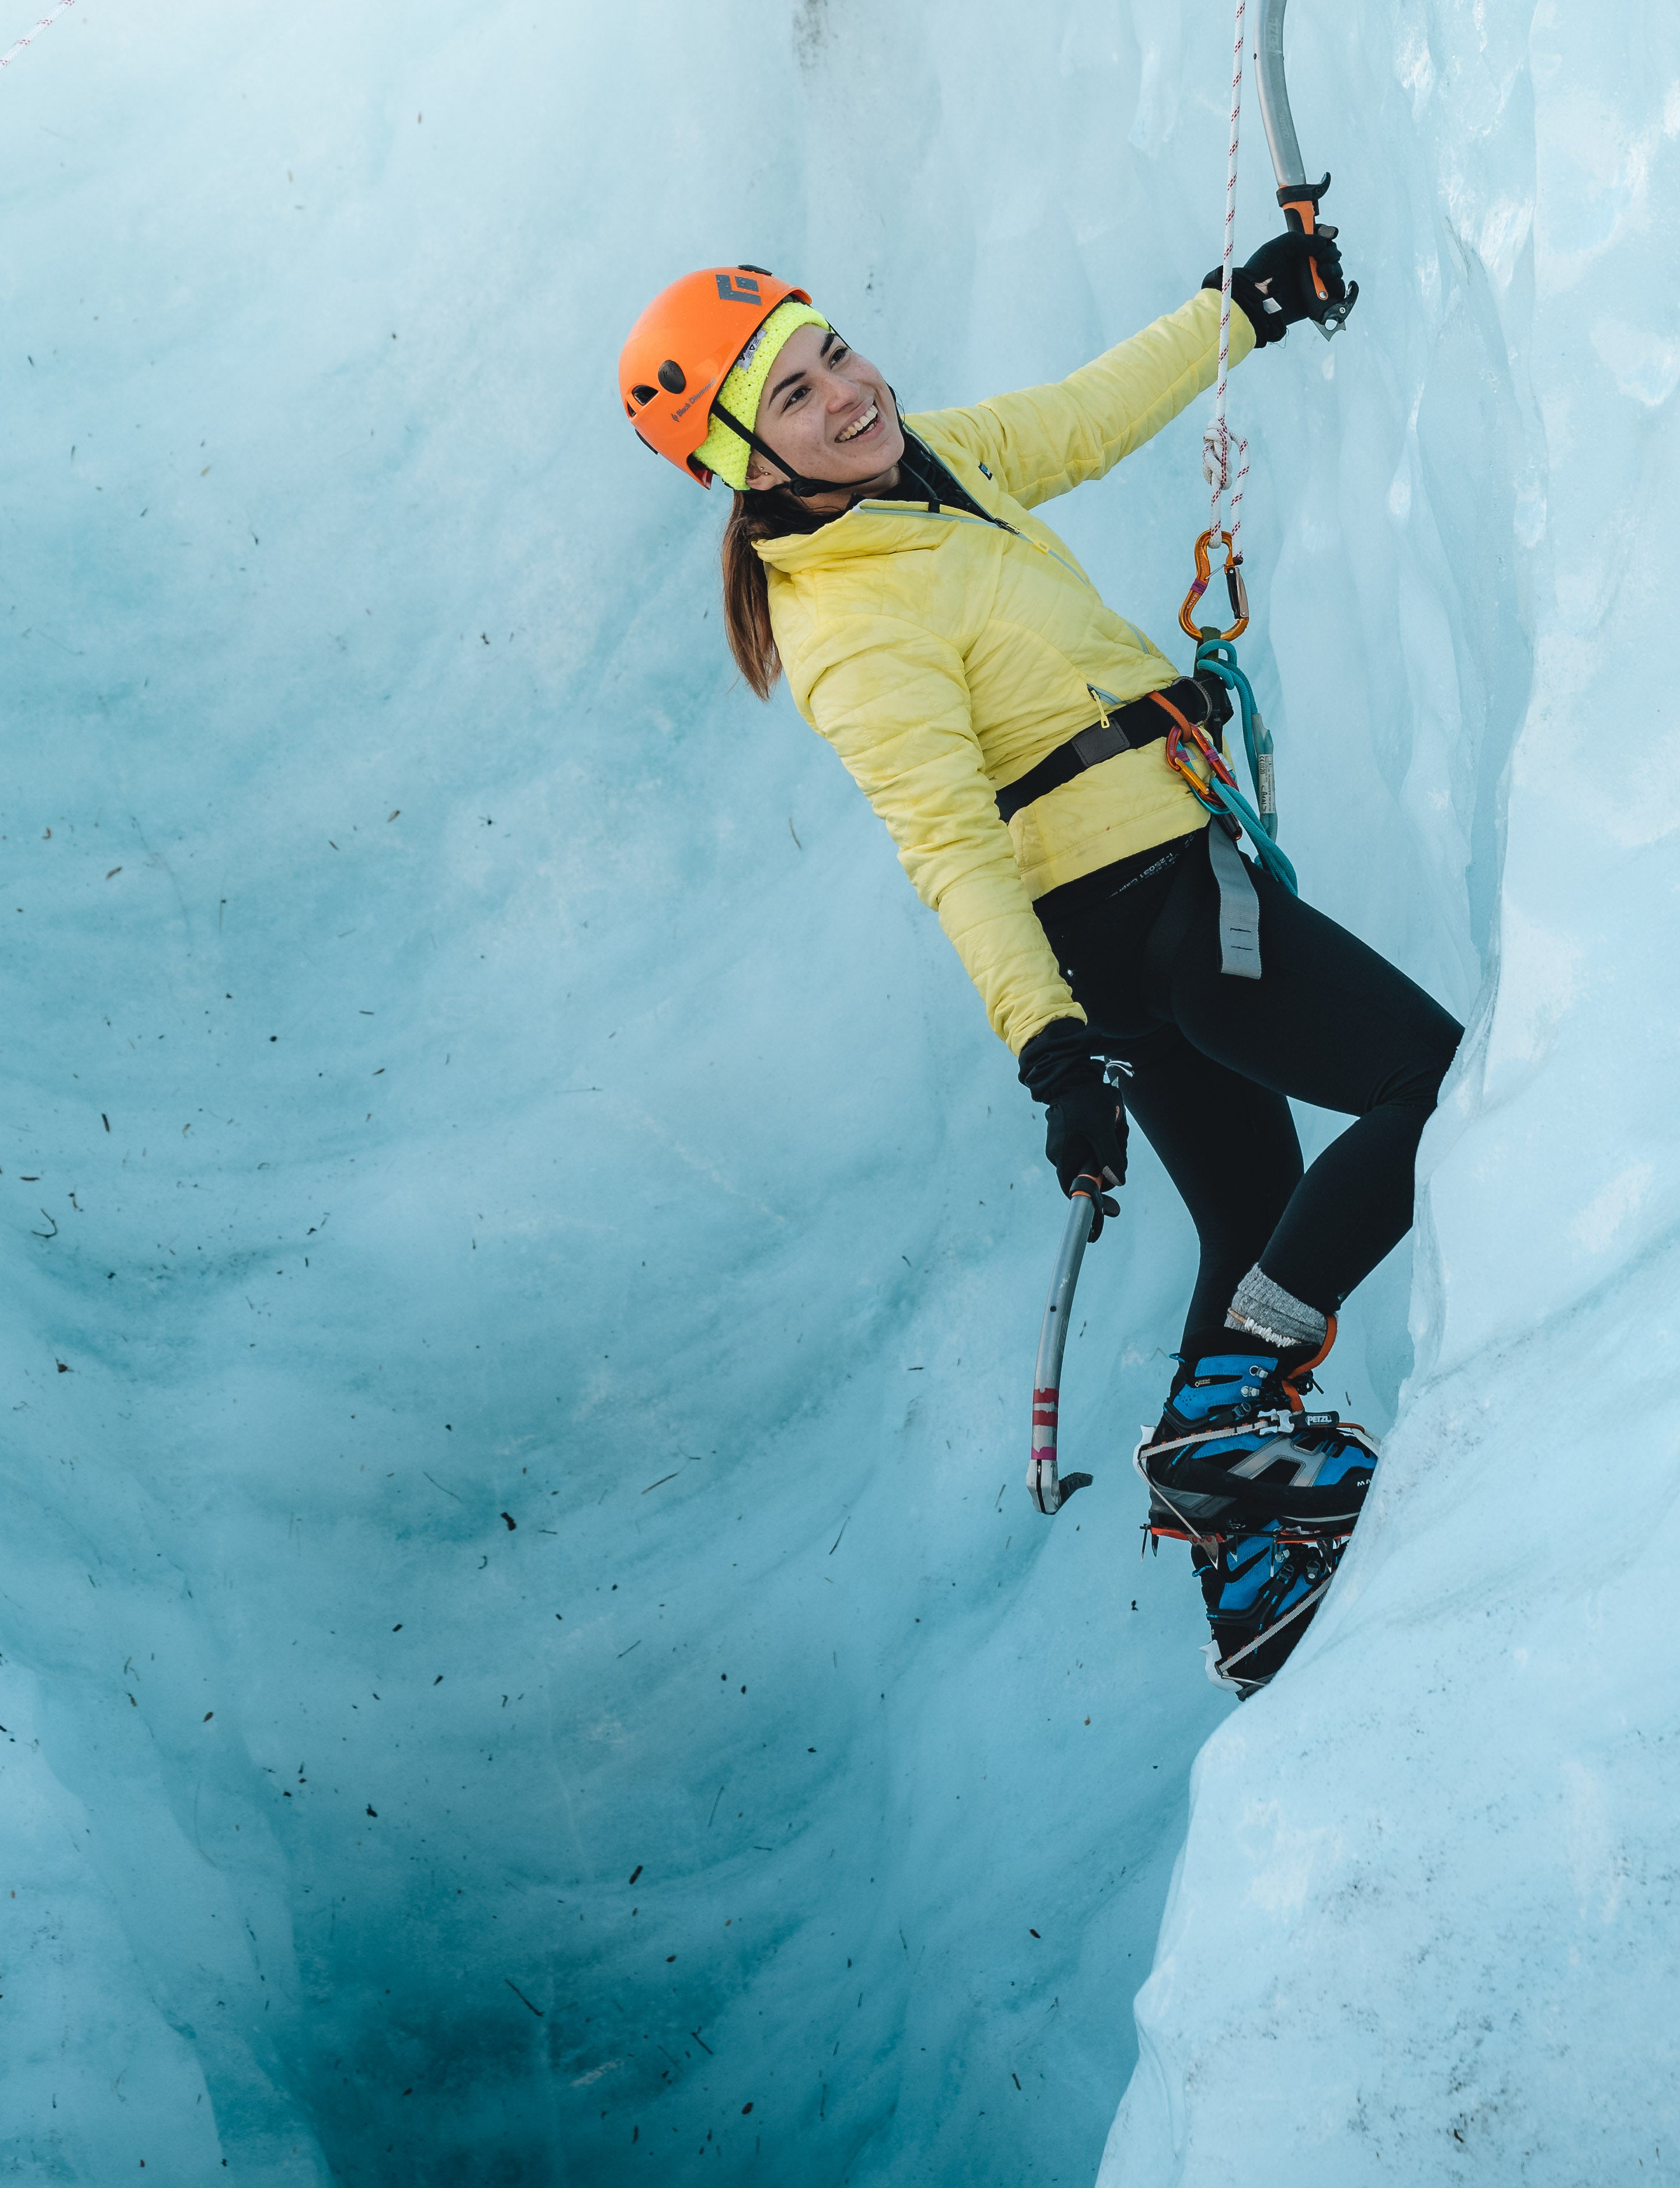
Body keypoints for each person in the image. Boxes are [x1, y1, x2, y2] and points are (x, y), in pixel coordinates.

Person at [612, 246, 1460, 1694]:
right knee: (1429, 1083)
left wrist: (1243, 310)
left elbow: (1081, 414)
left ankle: (1246, 1576)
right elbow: (948, 846)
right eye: (796, 395)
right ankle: (1236, 1403)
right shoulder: (849, 625)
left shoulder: (931, 469)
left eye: (836, 352)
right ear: (747, 464)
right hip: (1146, 912)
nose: (848, 392)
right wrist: (1049, 1051)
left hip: (1153, 900)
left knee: (1252, 1208)